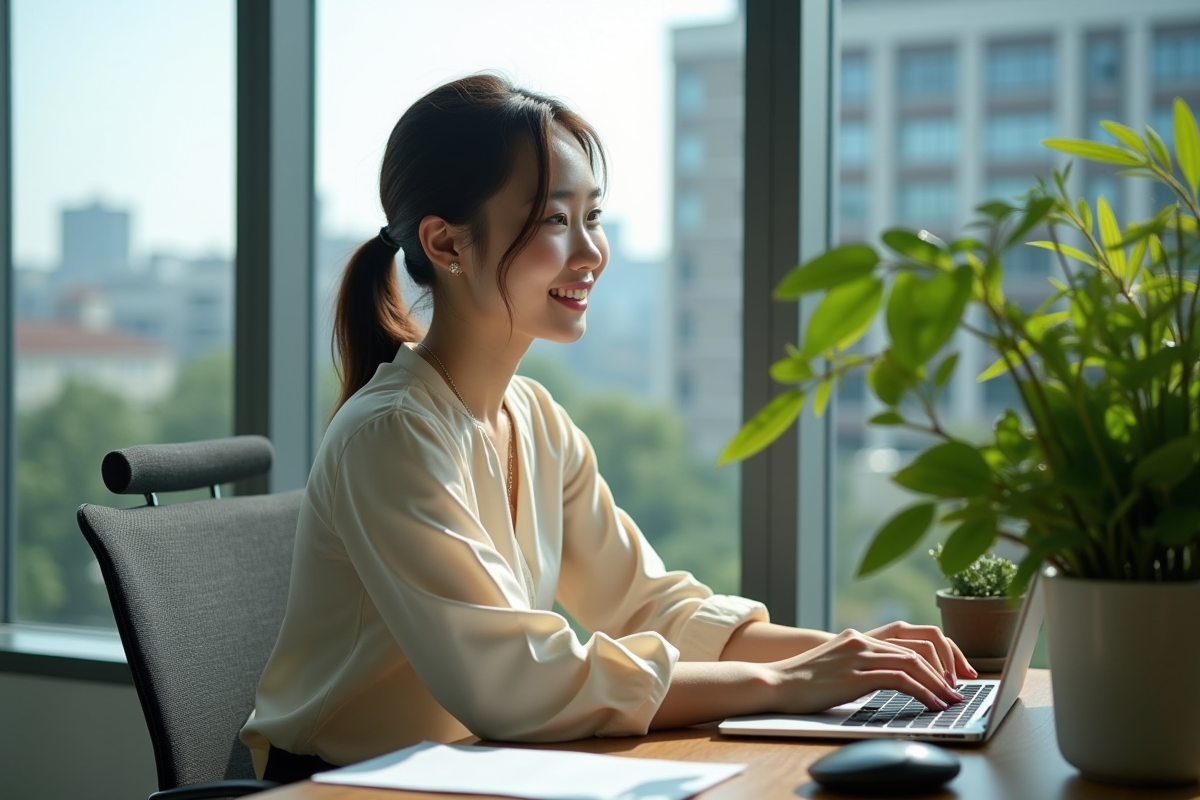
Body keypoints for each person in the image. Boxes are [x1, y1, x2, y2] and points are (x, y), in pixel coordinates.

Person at [239, 73, 974, 783]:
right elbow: (512, 681)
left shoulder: (534, 418)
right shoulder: (392, 435)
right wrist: (782, 681)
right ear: (446, 245)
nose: (592, 253)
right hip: (342, 786)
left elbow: (649, 606)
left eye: (593, 216)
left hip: (465, 774)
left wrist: (854, 657)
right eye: (555, 220)